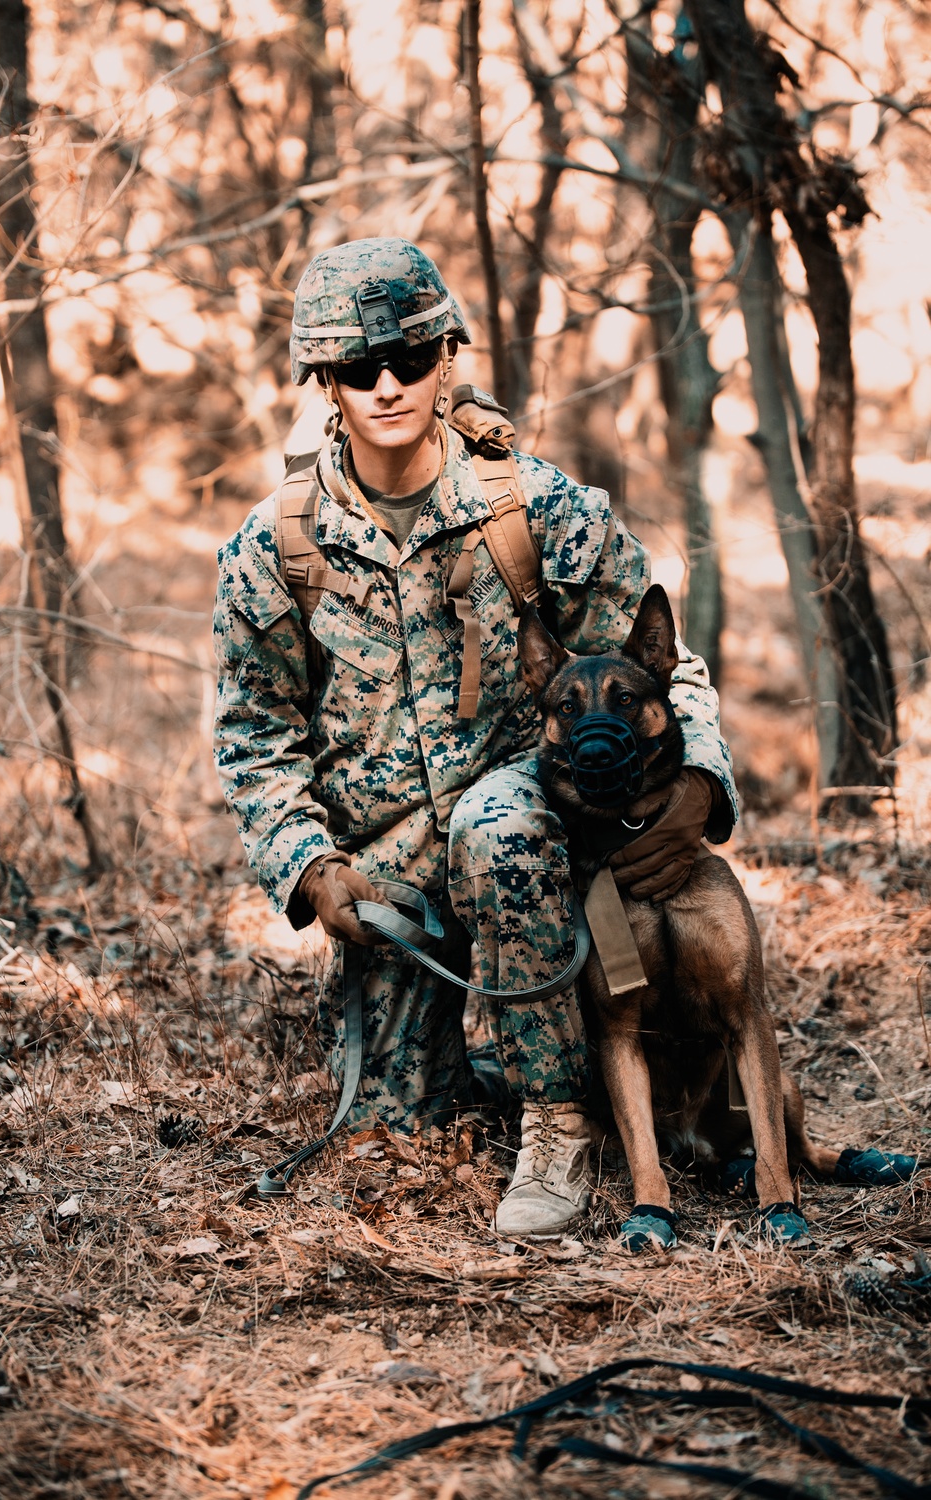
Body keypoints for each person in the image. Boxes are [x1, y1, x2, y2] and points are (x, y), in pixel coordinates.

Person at [213, 238, 737, 1237]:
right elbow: (253, 738)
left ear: (446, 356)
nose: (387, 386)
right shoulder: (274, 548)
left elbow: (660, 665)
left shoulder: (536, 509)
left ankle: (559, 1120)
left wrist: (699, 780)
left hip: (530, 833)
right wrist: (312, 866)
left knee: (500, 824)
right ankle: (520, 1049)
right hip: (392, 876)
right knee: (392, 1132)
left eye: (410, 359)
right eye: (358, 370)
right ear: (326, 380)